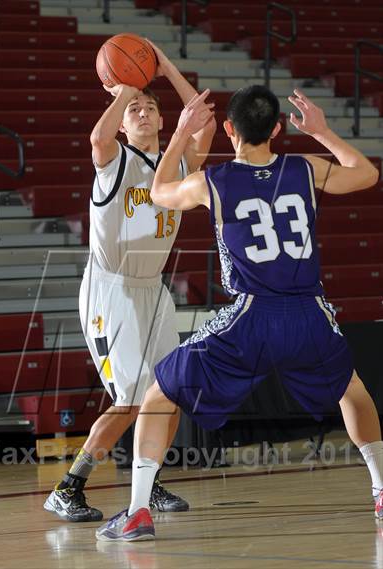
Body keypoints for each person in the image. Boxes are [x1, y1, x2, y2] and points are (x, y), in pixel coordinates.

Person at [95, 85, 383, 541]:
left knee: (158, 394)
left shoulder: (214, 181)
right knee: (352, 390)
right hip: (309, 313)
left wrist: (181, 136)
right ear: (277, 128)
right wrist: (323, 131)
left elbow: (159, 193)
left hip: (250, 317)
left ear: (228, 130)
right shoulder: (304, 167)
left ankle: (136, 512)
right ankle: (382, 490)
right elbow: (366, 174)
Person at [43, 43, 216, 522]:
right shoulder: (115, 159)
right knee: (131, 399)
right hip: (111, 287)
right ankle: (68, 487)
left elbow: (202, 123)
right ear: (122, 121)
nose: (142, 111)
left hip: (152, 288)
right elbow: (98, 138)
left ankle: (148, 482)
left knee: (171, 391)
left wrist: (164, 68)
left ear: (164, 121)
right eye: (133, 110)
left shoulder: (178, 165)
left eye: (150, 107)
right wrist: (125, 89)